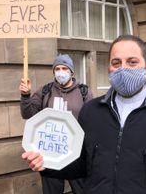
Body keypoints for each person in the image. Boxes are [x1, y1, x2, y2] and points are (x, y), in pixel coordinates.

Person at [22, 35, 146, 194]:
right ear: (108, 67)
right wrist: (48, 163)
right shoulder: (91, 111)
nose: (123, 68)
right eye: (116, 63)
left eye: (132, 62)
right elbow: (80, 166)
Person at [19, 54, 93, 194]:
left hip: (76, 153)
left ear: (71, 71)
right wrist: (26, 96)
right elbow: (28, 114)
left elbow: (92, 121)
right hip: (49, 154)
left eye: (64, 68)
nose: (60, 72)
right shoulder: (45, 91)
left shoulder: (84, 92)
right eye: (57, 68)